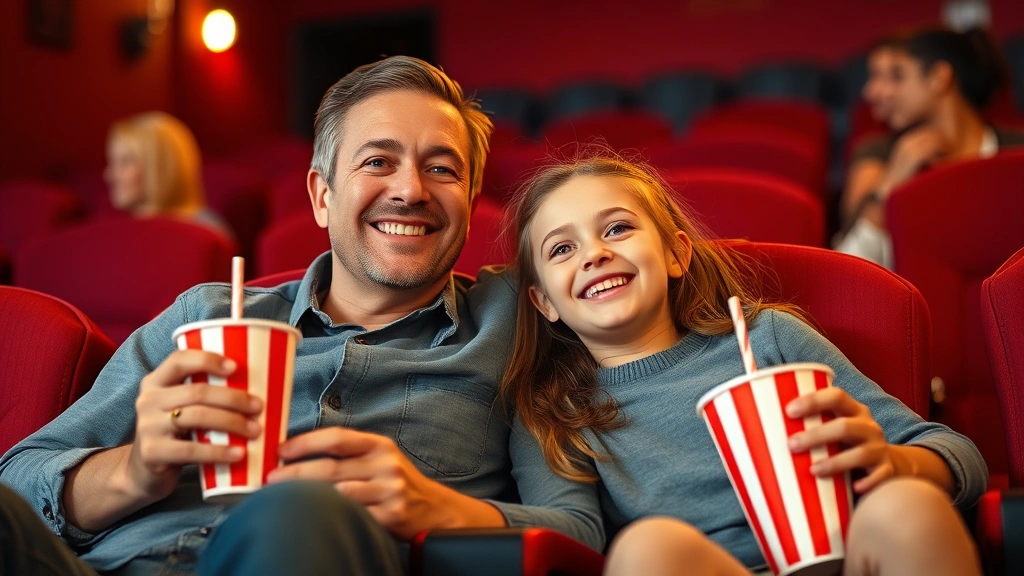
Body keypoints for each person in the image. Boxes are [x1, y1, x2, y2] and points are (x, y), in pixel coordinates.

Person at [0, 56, 602, 576]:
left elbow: (575, 529)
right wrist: (131, 471)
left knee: (299, 507)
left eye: (443, 168)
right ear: (321, 194)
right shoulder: (206, 314)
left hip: (310, 549)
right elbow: (18, 478)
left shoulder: (513, 327)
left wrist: (437, 507)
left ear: (471, 204)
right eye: (377, 162)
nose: (412, 190)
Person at [502, 154, 988, 575]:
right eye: (562, 248)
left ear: (676, 254)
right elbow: (570, 535)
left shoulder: (769, 337)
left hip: (847, 558)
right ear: (544, 302)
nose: (595, 253)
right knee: (648, 548)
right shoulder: (551, 412)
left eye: (618, 227)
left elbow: (956, 454)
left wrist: (894, 462)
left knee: (907, 504)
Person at [836, 27, 1024, 269]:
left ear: (939, 77)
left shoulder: (1016, 151)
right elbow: (851, 268)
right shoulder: (892, 152)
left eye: (899, 77)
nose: (888, 92)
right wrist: (891, 181)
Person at [105, 111, 234, 240]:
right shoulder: (115, 237)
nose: (108, 175)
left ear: (160, 166)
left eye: (125, 162)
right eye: (112, 162)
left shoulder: (205, 232)